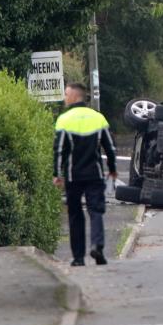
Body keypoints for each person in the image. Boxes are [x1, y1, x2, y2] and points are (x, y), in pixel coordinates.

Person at [53, 82, 117, 266]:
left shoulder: (64, 120)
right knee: (96, 211)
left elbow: (59, 151)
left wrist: (57, 173)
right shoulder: (98, 118)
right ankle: (97, 245)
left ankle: (78, 258)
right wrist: (112, 169)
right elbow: (110, 148)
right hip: (95, 174)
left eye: (66, 94)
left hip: (73, 176)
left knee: (75, 215)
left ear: (75, 96)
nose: (65, 97)